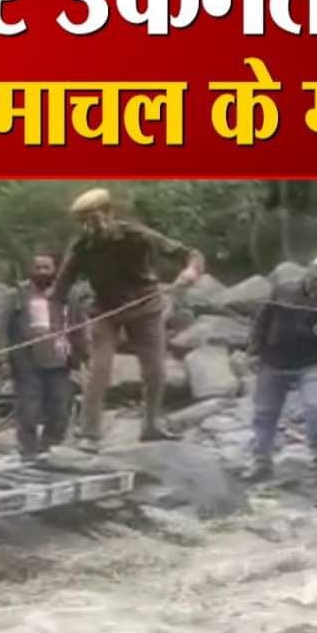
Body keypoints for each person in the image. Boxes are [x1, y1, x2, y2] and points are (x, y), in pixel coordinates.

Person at [52, 188, 205, 453]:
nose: (91, 226)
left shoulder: (138, 235)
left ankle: (151, 426)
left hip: (146, 308)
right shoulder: (81, 247)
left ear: (109, 212)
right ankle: (89, 433)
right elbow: (60, 291)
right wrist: (58, 326)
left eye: (94, 217)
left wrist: (190, 273)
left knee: (155, 371)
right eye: (84, 221)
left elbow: (191, 255)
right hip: (105, 312)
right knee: (99, 370)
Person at [245, 251, 317, 483]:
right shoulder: (283, 288)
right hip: (273, 359)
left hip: (312, 363)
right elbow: (262, 320)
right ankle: (260, 461)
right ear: (309, 266)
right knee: (264, 413)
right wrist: (254, 351)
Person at [0, 251, 84, 461]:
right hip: (26, 360)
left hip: (61, 360)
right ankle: (28, 451)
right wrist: (0, 359)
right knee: (28, 409)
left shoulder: (68, 295)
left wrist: (82, 355)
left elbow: (79, 326)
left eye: (47, 268)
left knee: (60, 408)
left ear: (55, 270)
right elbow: (2, 328)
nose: (42, 272)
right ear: (31, 270)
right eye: (38, 268)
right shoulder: (18, 295)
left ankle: (51, 448)